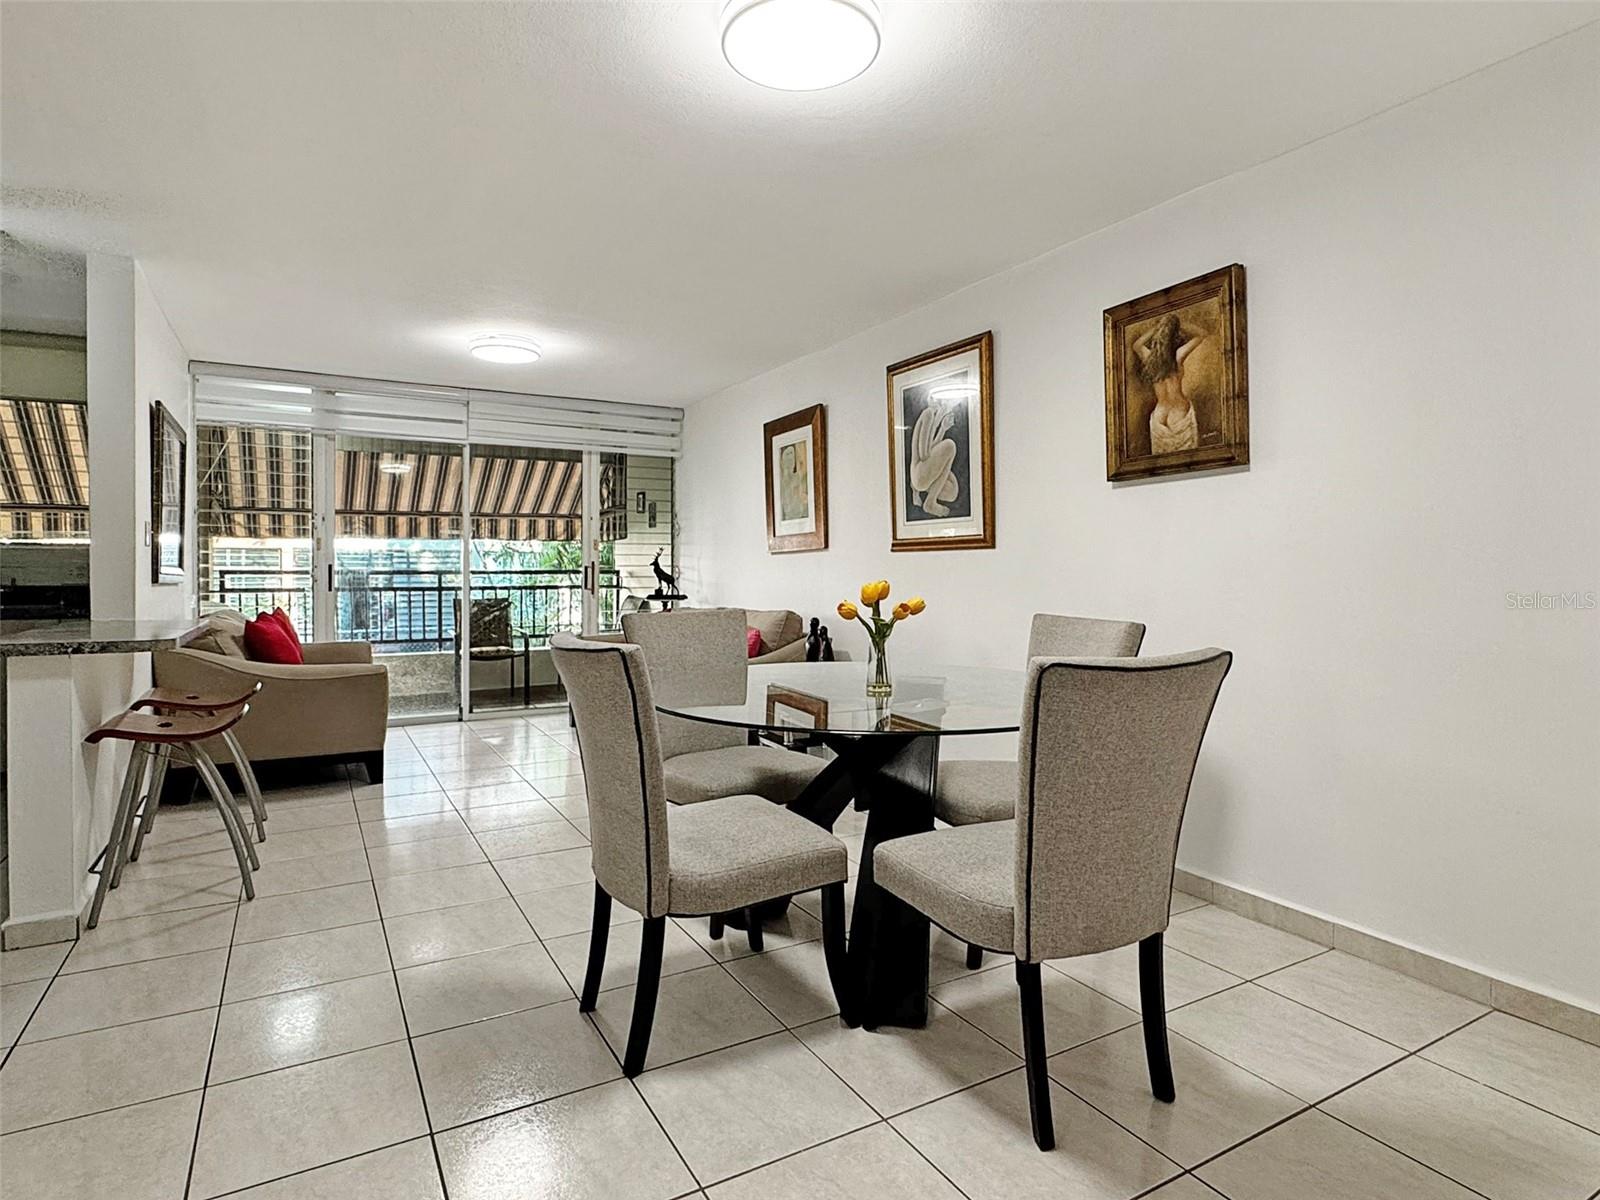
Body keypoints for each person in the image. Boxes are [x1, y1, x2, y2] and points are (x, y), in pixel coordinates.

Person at [1133, 313, 1204, 454]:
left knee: (1161, 462)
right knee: (1188, 460)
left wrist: (1158, 327)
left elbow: (1137, 345)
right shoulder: (1178, 356)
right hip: (1179, 411)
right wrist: (1177, 324)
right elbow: (1201, 334)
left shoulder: (1149, 358)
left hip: (1159, 414)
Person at [909, 395, 960, 517]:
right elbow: (925, 454)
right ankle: (930, 501)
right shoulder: (928, 414)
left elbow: (930, 451)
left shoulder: (930, 416)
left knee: (952, 492)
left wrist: (942, 428)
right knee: (950, 445)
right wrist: (938, 422)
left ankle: (919, 492)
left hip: (921, 476)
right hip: (919, 473)